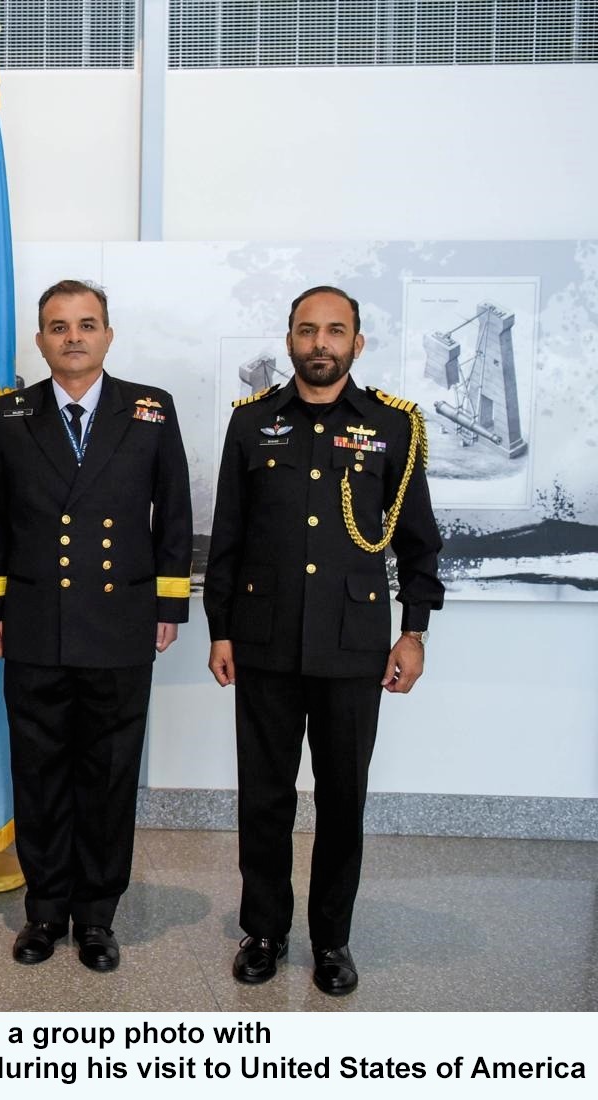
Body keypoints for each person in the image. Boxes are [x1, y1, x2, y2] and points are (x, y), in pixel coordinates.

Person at [206, 285, 443, 996]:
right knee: (265, 797)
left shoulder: (392, 426)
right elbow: (228, 538)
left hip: (352, 646)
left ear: (356, 343)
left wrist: (414, 631)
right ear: (289, 340)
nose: (320, 343)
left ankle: (332, 939)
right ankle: (264, 930)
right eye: (307, 330)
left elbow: (419, 542)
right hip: (265, 641)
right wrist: (221, 629)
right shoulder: (252, 422)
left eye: (335, 331)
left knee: (343, 799)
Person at [0, 279, 193, 971]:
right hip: (35, 621)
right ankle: (44, 911)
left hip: (120, 621)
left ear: (108, 334)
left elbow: (174, 511)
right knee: (39, 772)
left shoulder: (150, 409)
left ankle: (97, 916)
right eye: (59, 326)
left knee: (109, 774)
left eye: (87, 324)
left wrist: (168, 606)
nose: (73, 337)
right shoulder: (9, 415)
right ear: (40, 340)